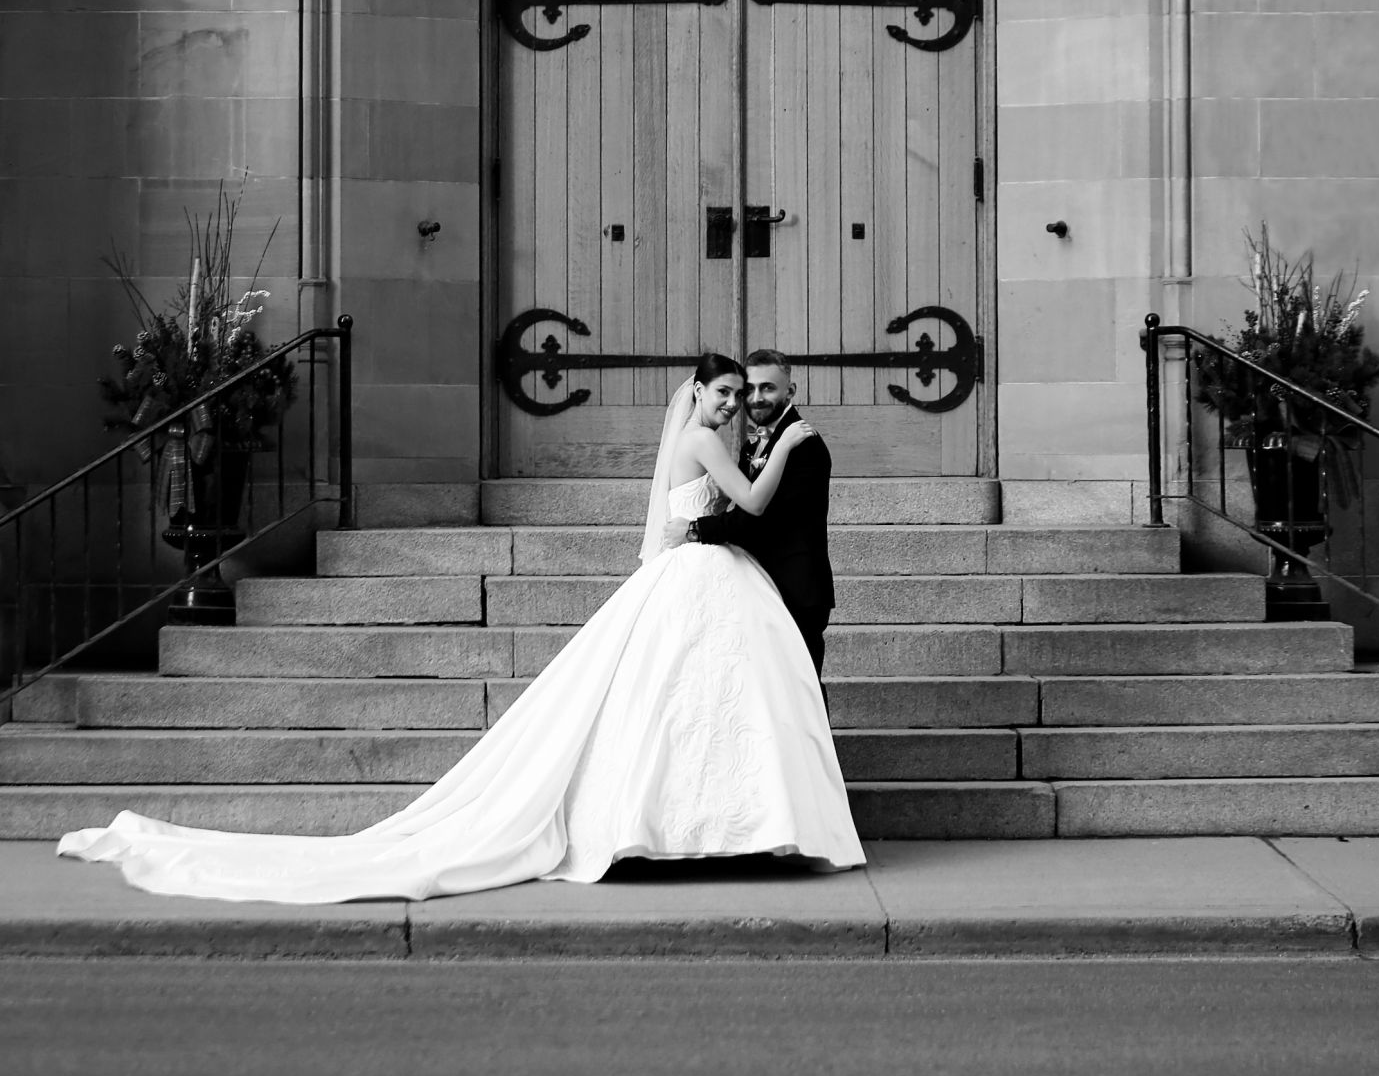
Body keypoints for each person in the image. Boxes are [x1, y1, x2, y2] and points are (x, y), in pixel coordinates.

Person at [56, 352, 864, 904]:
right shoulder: (703, 438)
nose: (730, 404)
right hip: (697, 578)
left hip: (698, 576)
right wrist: (788, 441)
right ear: (698, 394)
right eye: (722, 392)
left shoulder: (702, 439)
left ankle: (704, 829)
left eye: (737, 395)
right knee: (687, 706)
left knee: (691, 709)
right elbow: (748, 505)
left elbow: (706, 515)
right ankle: (698, 828)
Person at [662, 348, 834, 679]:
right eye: (748, 390)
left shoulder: (802, 444)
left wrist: (695, 529)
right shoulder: (752, 444)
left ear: (790, 391)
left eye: (768, 388)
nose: (755, 398)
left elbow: (757, 517)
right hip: (757, 584)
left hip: (795, 588)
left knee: (799, 692)